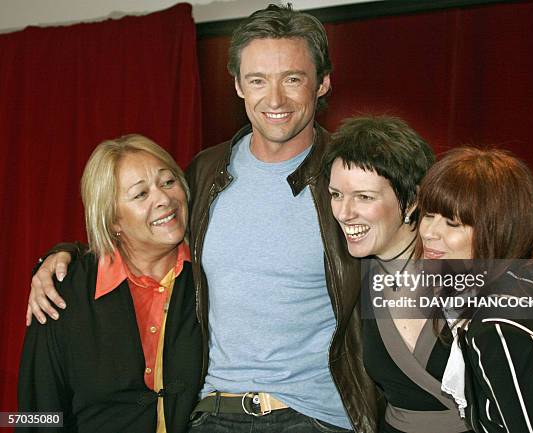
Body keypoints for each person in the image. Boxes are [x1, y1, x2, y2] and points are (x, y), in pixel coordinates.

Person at [25, 5, 378, 433]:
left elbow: (423, 260)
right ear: (237, 85)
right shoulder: (207, 174)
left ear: (322, 82)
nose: (275, 99)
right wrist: (55, 260)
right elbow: (137, 241)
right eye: (257, 80)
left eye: (292, 78)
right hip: (214, 413)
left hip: (315, 417)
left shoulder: (357, 176)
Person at [325, 116, 533, 433]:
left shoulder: (475, 268)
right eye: (336, 195)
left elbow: (520, 237)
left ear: (412, 200)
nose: (344, 212)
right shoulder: (351, 271)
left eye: (364, 196)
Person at [416, 147, 533, 433]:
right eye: (429, 215)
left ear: (496, 229)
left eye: (452, 223)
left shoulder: (502, 323)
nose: (429, 231)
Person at [18, 135, 203, 433]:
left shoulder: (211, 279)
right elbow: (30, 416)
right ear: (112, 219)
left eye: (168, 182)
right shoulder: (60, 292)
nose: (164, 199)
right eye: (141, 194)